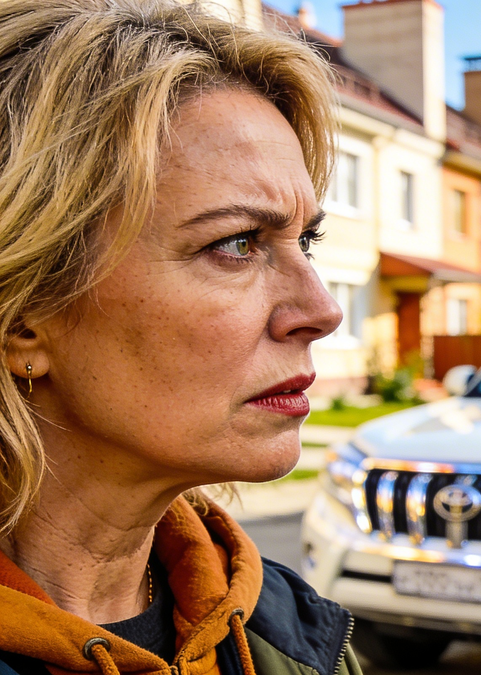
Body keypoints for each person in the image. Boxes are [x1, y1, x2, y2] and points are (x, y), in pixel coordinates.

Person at [0, 1, 356, 673]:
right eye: (236, 243)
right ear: (24, 315)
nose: (322, 309)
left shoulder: (295, 637)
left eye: (305, 240)